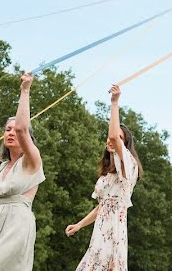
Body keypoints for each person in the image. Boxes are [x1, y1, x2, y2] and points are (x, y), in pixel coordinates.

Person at [66, 85, 142, 271]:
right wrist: (79, 225)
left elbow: (114, 137)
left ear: (124, 144)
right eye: (109, 137)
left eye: (118, 138)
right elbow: (102, 207)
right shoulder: (108, 174)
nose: (111, 139)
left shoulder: (128, 166)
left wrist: (114, 103)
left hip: (114, 232)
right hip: (99, 232)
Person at [0, 73, 45, 271]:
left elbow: (21, 129)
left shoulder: (31, 161)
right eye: (7, 129)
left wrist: (25, 90)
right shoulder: (3, 167)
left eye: (13, 130)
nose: (11, 132)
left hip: (16, 227)